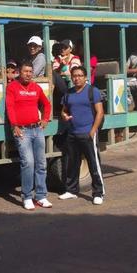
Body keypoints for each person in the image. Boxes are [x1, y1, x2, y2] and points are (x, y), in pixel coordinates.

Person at [6, 60, 52, 210]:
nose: (28, 74)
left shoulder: (36, 87)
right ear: (19, 72)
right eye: (25, 71)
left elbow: (46, 104)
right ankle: (27, 196)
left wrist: (45, 119)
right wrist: (14, 125)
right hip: (22, 131)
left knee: (41, 164)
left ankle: (41, 196)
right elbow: (10, 107)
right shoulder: (12, 87)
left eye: (30, 72)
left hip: (37, 129)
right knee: (28, 163)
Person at [59, 66, 105, 205]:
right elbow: (63, 111)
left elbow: (100, 112)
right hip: (73, 133)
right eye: (74, 76)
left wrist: (93, 131)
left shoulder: (92, 91)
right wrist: (65, 116)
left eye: (80, 75)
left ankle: (98, 193)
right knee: (72, 164)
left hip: (88, 133)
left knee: (93, 164)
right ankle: (71, 191)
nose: (77, 78)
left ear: (85, 77)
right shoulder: (69, 93)